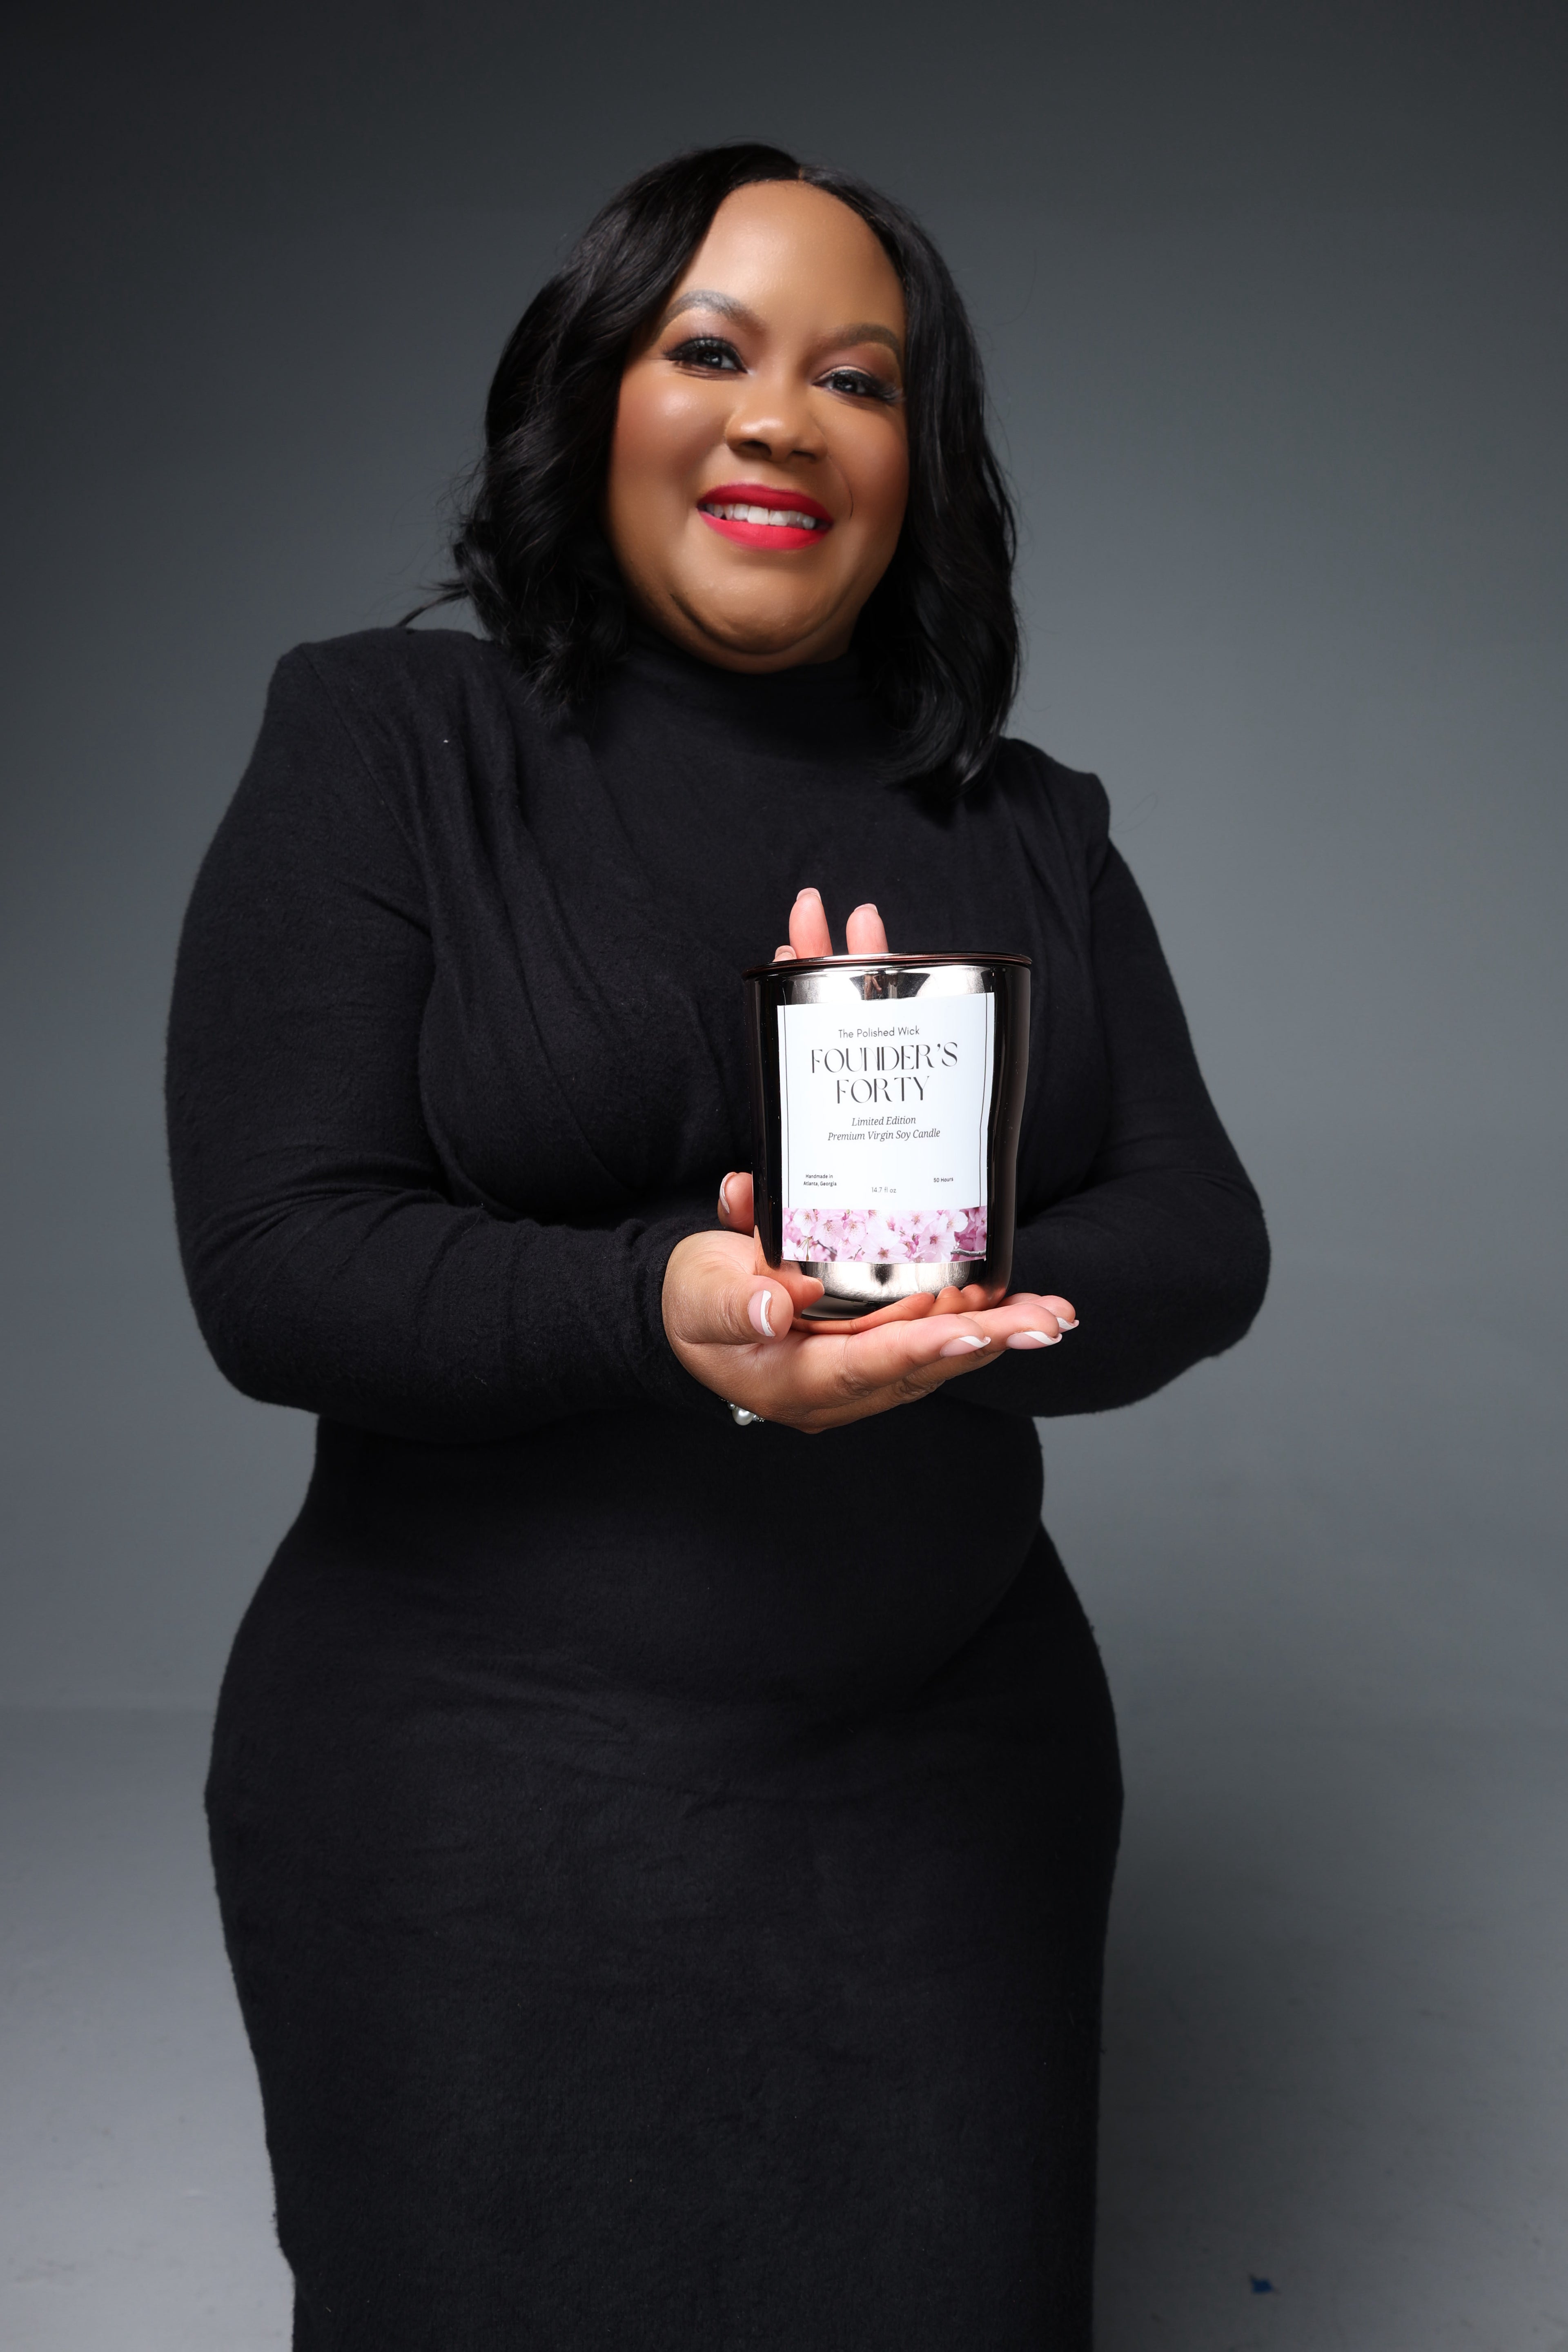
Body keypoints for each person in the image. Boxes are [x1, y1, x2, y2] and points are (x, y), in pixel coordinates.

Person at [167, 142, 1269, 2352]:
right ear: (593, 397)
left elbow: (1198, 1233)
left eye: (857, 379)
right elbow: (277, 1259)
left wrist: (944, 1298)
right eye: (710, 350)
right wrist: (668, 1305)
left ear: (916, 464)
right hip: (480, 1802)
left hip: (953, 1794)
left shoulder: (1030, 823)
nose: (783, 418)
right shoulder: (391, 739)